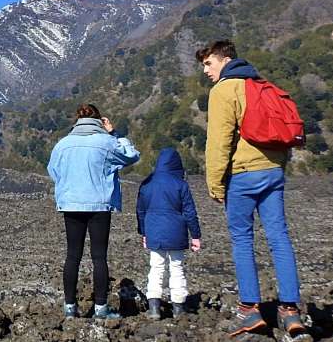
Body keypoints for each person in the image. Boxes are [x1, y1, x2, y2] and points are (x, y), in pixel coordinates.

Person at [197, 39, 308, 338]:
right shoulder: (260, 84)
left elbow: (218, 143)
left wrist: (215, 184)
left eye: (208, 63)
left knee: (242, 241)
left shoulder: (224, 90)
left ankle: (250, 311)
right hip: (273, 171)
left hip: (243, 175)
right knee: (279, 237)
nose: (206, 70)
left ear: (224, 59)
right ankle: (290, 311)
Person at [48, 103, 140, 320]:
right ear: (99, 121)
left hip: (71, 204)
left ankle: (70, 308)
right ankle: (101, 309)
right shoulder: (107, 142)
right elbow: (131, 156)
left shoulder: (63, 144)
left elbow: (52, 170)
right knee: (99, 257)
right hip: (99, 205)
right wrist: (114, 133)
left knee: (73, 256)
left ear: (77, 121)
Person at [136, 147, 202, 319]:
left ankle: (154, 308)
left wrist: (144, 233)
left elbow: (141, 211)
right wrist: (195, 235)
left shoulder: (147, 183)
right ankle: (179, 308)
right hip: (176, 232)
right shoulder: (181, 184)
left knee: (156, 268)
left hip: (154, 232)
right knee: (177, 268)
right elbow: (190, 213)